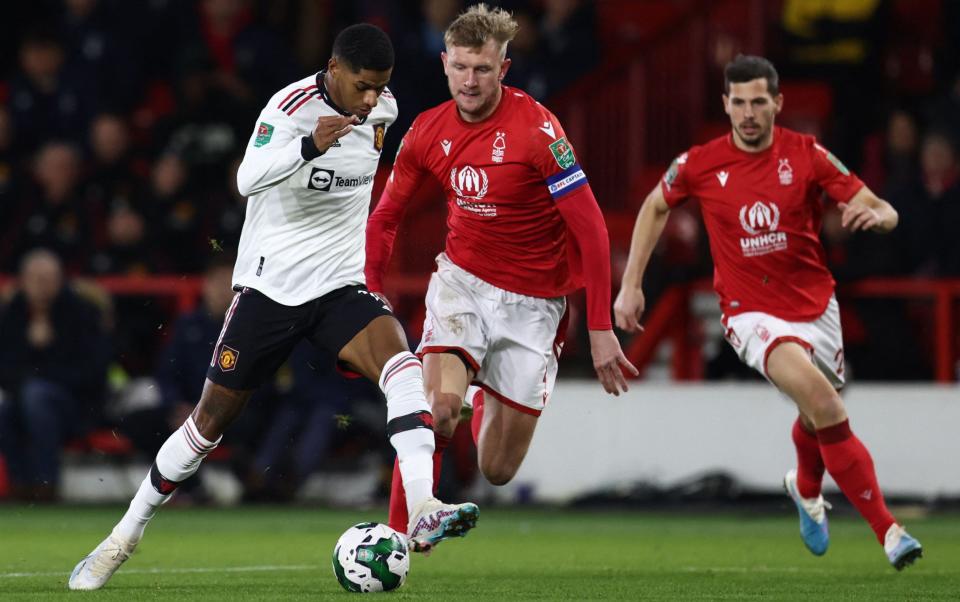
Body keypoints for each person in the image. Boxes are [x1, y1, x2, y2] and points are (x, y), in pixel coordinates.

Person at [68, 24, 478, 592]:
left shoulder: (384, 109)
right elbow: (246, 178)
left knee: (401, 364)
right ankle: (124, 536)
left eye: (378, 87)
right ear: (333, 68)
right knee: (206, 426)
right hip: (270, 291)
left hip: (338, 285)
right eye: (361, 86)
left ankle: (425, 504)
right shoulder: (288, 109)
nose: (369, 99)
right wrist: (312, 145)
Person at [613, 55, 923, 571]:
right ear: (726, 105)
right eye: (739, 102)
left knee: (815, 411)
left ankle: (804, 488)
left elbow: (881, 206)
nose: (749, 112)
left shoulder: (807, 154)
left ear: (778, 103)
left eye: (760, 101)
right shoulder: (700, 163)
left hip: (816, 305)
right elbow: (654, 206)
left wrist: (879, 216)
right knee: (827, 404)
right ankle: (889, 531)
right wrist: (630, 285)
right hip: (750, 313)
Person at [365, 4, 637, 536]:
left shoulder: (538, 131)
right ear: (444, 64)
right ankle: (401, 539)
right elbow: (386, 217)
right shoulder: (425, 132)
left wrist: (602, 329)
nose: (470, 81)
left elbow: (592, 230)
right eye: (461, 68)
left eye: (483, 69)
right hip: (462, 283)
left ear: (503, 69)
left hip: (534, 304)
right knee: (438, 409)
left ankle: (485, 391)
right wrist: (373, 296)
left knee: (498, 470)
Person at [0, 249, 109, 501]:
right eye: (35, 279)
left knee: (36, 397)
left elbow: (93, 371)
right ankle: (20, 486)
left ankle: (47, 485)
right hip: (22, 400)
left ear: (61, 280)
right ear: (23, 281)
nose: (41, 286)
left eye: (47, 279)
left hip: (77, 405)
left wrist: (43, 365)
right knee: (6, 411)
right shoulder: (12, 314)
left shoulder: (82, 313)